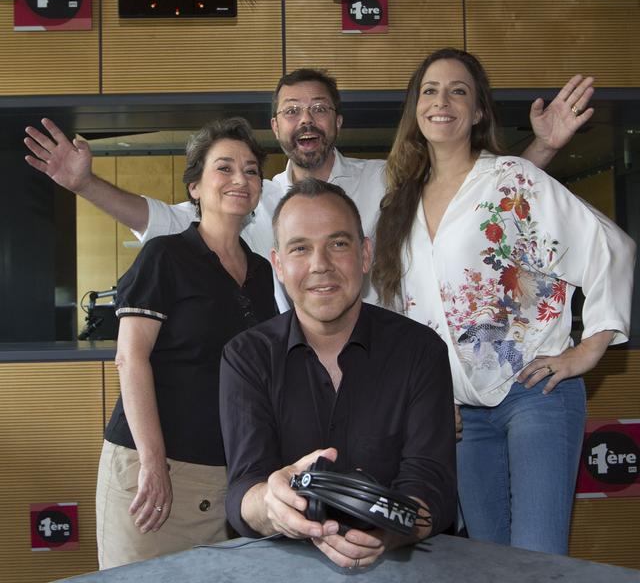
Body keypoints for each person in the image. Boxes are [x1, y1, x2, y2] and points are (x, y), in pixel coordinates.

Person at [372, 48, 636, 555]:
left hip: (533, 394)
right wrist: (426, 399)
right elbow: (401, 317)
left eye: (458, 90)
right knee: (488, 560)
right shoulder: (400, 205)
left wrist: (589, 348)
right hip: (460, 416)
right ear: (415, 109)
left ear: (478, 112)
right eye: (429, 90)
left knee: (535, 558)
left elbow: (611, 248)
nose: (441, 101)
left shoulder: (513, 180)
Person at [24, 69, 596, 270]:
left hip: (385, 368)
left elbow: (478, 195)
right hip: (292, 376)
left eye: (319, 109)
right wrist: (85, 184)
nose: (307, 120)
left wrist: (540, 150)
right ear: (276, 128)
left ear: (338, 122)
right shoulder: (253, 199)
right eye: (293, 111)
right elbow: (166, 221)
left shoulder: (383, 180)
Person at [218, 178, 457, 570]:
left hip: (405, 565)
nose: (320, 265)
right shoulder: (246, 357)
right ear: (278, 265)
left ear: (365, 255)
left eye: (338, 244)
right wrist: (272, 504)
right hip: (283, 568)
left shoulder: (421, 351)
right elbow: (244, 488)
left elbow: (434, 487)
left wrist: (384, 528)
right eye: (300, 248)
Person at [96, 118, 277, 568]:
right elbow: (130, 358)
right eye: (225, 167)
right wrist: (154, 465)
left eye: (252, 170)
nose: (241, 179)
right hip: (155, 473)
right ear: (194, 186)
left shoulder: (261, 272)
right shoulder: (165, 255)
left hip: (228, 480)